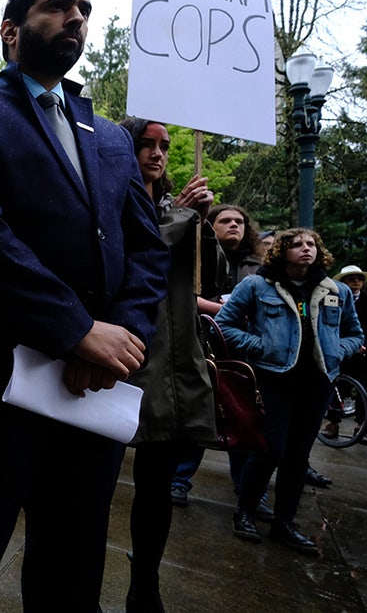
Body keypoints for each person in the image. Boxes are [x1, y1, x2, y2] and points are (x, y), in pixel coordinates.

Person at [0, 0, 168, 612]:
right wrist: (76, 331)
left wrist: (123, 340)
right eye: (57, 5)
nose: (75, 16)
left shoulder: (110, 139)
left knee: (71, 574)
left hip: (93, 395)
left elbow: (146, 249)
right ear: (12, 30)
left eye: (83, 8)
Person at [119, 118, 221, 612]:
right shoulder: (112, 200)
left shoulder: (175, 209)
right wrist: (182, 218)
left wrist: (206, 224)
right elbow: (134, 253)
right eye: (147, 144)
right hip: (124, 358)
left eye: (165, 146)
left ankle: (145, 585)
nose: (158, 153)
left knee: (155, 490)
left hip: (175, 369)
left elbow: (213, 279)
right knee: (89, 484)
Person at [220, 229, 363, 554]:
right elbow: (226, 323)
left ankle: (284, 522)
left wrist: (338, 351)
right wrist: (259, 346)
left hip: (318, 384)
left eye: (311, 244)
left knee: (298, 457)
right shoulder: (257, 285)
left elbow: (355, 332)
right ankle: (245, 509)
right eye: (297, 244)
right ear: (282, 251)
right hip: (274, 380)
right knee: (270, 449)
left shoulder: (336, 290)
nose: (306, 249)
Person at [169, 203, 266, 507]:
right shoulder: (199, 256)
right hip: (202, 343)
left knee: (242, 413)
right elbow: (187, 296)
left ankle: (248, 490)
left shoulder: (257, 264)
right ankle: (179, 479)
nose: (234, 225)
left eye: (239, 221)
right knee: (202, 412)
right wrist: (226, 310)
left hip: (243, 348)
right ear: (211, 225)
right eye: (225, 220)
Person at [328, 264, 367, 445]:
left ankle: (361, 427)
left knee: (366, 390)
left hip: (365, 354)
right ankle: (333, 423)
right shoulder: (334, 299)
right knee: (335, 386)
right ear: (344, 282)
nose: (356, 283)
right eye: (351, 279)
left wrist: (364, 345)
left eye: (359, 279)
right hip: (341, 350)